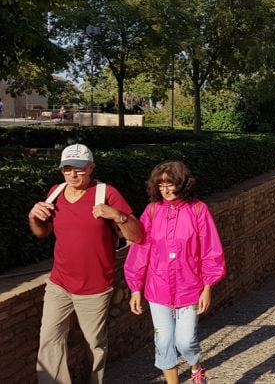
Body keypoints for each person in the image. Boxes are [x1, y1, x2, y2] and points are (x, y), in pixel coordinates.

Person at [28, 144, 144, 384]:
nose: (73, 174)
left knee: (95, 345)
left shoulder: (106, 193)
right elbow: (42, 232)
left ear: (91, 167)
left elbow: (137, 236)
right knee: (49, 341)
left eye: (79, 169)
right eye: (67, 168)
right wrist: (33, 217)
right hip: (59, 283)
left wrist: (117, 215)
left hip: (95, 287)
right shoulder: (55, 192)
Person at [124, 161, 225, 384]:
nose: (166, 190)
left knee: (186, 341)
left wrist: (208, 287)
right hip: (157, 288)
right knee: (163, 342)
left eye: (170, 184)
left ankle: (196, 366)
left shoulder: (198, 210)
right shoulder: (151, 211)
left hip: (189, 288)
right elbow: (140, 251)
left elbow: (211, 250)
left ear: (182, 184)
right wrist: (135, 288)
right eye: (160, 185)